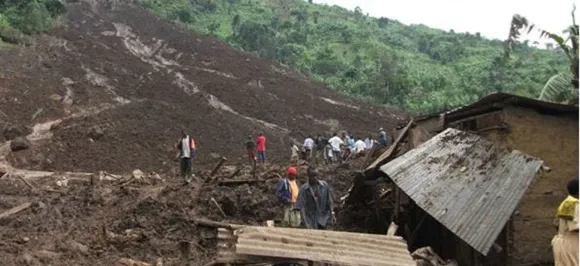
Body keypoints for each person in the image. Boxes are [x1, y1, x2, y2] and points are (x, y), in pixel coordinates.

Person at [552, 178, 579, 265]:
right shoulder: (574, 204)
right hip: (570, 244)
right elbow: (575, 227)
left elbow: (556, 224)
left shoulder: (566, 202)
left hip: (561, 243)